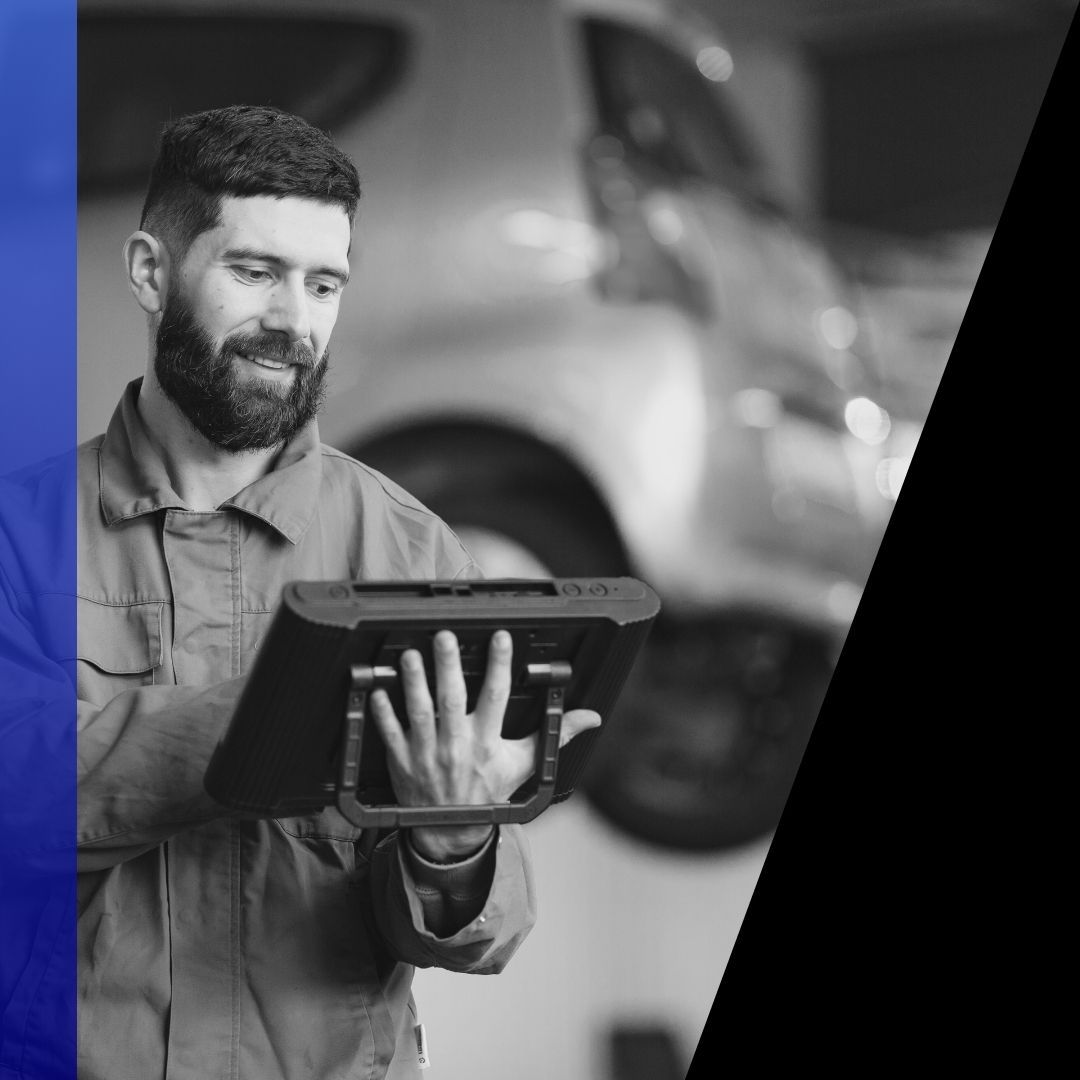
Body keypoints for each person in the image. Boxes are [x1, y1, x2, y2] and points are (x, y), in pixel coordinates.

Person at [1, 104, 599, 1080]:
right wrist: (293, 700)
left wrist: (454, 837)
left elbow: (474, 934)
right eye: (255, 271)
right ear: (152, 271)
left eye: (324, 283)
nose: (294, 320)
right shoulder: (17, 544)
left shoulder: (407, 550)